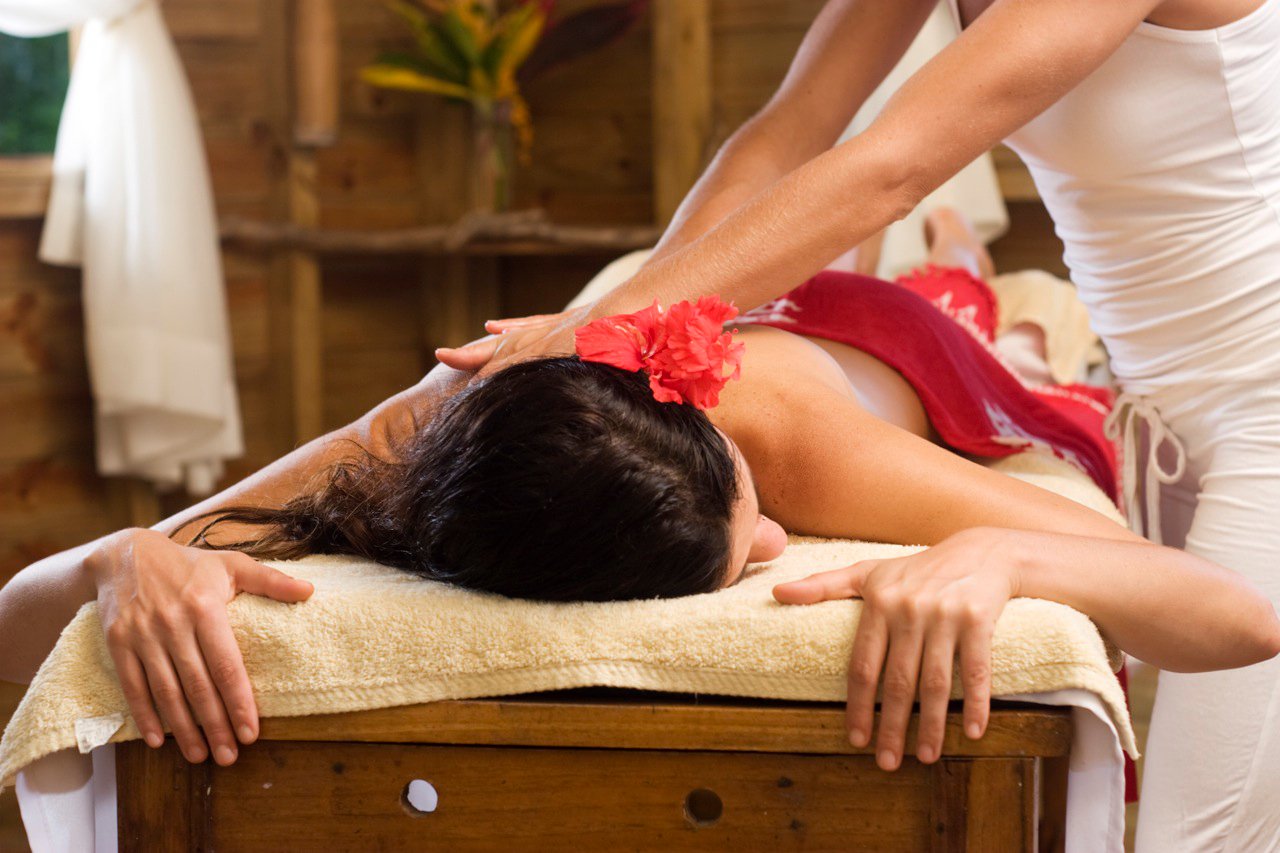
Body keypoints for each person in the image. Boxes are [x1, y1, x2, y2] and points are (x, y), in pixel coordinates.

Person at [2, 211, 1276, 785]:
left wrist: (1002, 553)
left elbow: (1232, 613)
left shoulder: (807, 452)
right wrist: (121, 558)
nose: (777, 543)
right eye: (750, 559)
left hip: (876, 348)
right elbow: (19, 625)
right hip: (632, 330)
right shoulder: (433, 428)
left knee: (986, 319)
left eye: (747, 520)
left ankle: (955, 280)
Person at [435, 2, 1280, 846]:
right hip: (1171, 406)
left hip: (1268, 402)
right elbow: (785, 132)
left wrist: (615, 318)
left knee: (1198, 836)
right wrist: (613, 326)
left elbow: (892, 166)